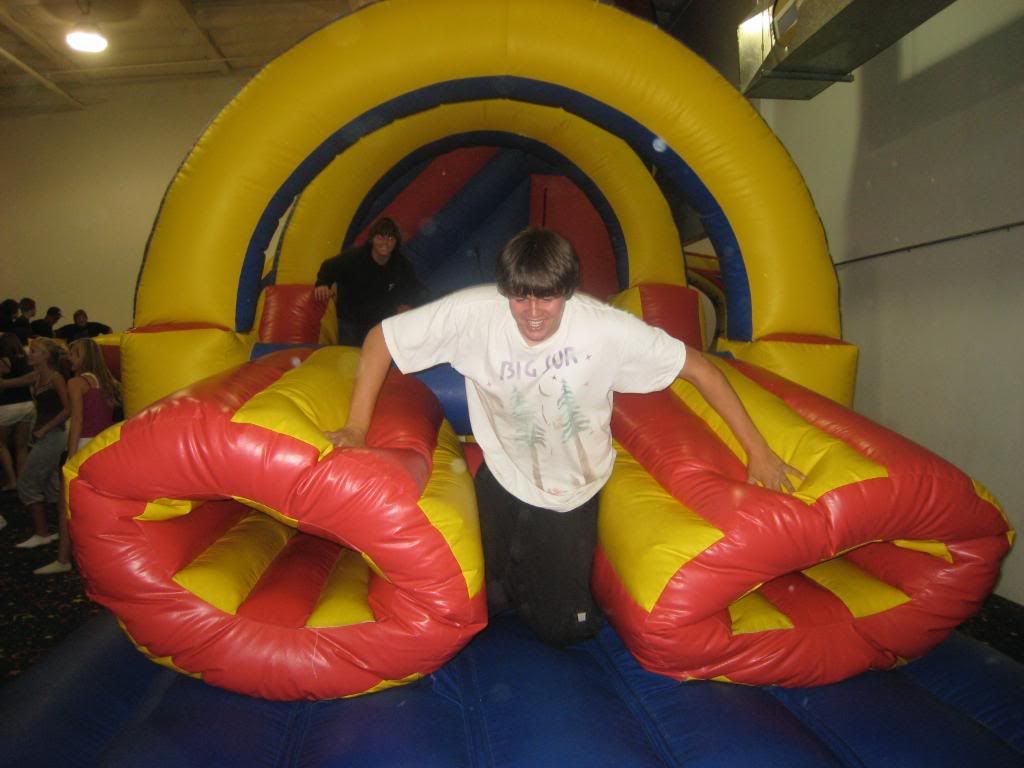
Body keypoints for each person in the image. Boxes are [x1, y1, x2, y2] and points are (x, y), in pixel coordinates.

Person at [326, 227, 802, 646]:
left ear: (568, 292)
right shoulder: (474, 314)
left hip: (572, 490)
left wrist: (759, 453)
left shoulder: (605, 329)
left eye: (547, 299)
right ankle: (515, 580)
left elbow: (702, 370)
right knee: (473, 602)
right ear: (505, 290)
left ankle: (549, 590)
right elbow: (382, 339)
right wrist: (356, 427)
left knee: (562, 629)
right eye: (520, 298)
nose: (532, 313)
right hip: (503, 476)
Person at [34, 338, 121, 575]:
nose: (69, 357)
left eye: (74, 353)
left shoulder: (76, 382)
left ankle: (63, 558)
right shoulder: (106, 382)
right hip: (103, 445)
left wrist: (71, 457)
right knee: (98, 505)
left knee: (66, 506)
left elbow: (78, 421)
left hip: (83, 445)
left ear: (85, 357)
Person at [314, 216, 425, 346]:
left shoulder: (400, 264)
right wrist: (323, 284)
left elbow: (415, 288)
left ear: (396, 243)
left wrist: (409, 304)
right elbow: (328, 267)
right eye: (380, 237)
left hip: (380, 322)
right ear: (372, 239)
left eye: (390, 238)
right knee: (349, 352)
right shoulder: (355, 257)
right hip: (351, 320)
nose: (385, 243)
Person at [14, 338, 69, 549]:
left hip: (53, 435)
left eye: (34, 351)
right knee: (51, 485)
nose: (30, 354)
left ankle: (42, 532)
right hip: (43, 435)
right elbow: (11, 383)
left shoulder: (56, 378)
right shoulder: (37, 376)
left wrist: (45, 429)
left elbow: (68, 409)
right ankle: (64, 529)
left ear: (46, 356)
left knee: (27, 483)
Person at [0, 333, 36, 498]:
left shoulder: (3, 360)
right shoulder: (26, 360)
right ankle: (22, 480)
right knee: (21, 446)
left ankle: (11, 480)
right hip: (27, 405)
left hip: (6, 407)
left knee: (1, 445)